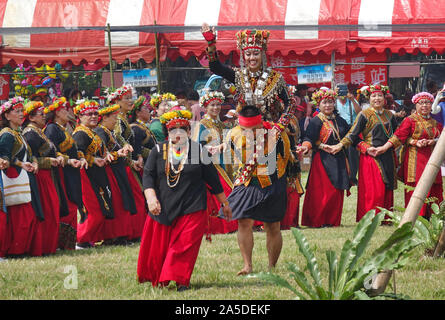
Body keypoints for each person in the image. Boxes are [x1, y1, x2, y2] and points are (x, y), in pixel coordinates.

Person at [137, 106, 232, 291]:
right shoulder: (158, 150)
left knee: (184, 246)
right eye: (173, 130)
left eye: (183, 129)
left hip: (193, 206)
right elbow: (147, 176)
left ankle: (180, 279)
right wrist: (151, 199)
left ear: (189, 131)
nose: (178, 133)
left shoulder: (198, 151)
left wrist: (225, 203)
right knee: (161, 248)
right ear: (168, 132)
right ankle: (163, 277)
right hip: (163, 206)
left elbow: (213, 180)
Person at [220, 105, 291, 275]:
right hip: (247, 181)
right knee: (243, 222)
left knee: (273, 225)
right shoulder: (233, 134)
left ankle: (271, 267)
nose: (250, 133)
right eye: (246, 130)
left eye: (254, 130)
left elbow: (286, 156)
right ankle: (247, 265)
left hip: (272, 181)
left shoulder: (276, 133)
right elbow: (230, 161)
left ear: (260, 124)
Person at [330, 84, 397, 223]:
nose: (377, 98)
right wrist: (341, 145)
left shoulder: (390, 115)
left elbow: (397, 134)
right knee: (374, 189)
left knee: (387, 186)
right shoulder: (364, 115)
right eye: (374, 96)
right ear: (369, 99)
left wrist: (388, 146)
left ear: (385, 98)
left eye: (380, 95)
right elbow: (353, 135)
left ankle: (386, 218)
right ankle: (371, 219)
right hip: (371, 156)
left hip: (387, 155)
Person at [201, 24, 289, 123]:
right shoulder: (238, 76)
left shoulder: (275, 78)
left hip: (269, 128)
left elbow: (289, 102)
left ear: (262, 54)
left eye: (256, 54)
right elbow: (216, 68)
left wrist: (280, 125)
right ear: (244, 56)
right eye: (248, 54)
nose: (252, 58)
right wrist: (211, 45)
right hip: (244, 127)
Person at [376, 92, 443, 219]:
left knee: (434, 186)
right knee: (416, 186)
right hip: (415, 159)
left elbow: (441, 138)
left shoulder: (436, 122)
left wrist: (432, 141)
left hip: (433, 158)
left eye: (427, 103)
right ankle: (417, 216)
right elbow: (399, 136)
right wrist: (385, 148)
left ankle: (435, 217)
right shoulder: (410, 120)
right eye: (421, 103)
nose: (424, 106)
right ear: (415, 105)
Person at [299, 89, 352, 227]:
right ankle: (318, 220)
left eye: (330, 102)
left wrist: (340, 146)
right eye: (324, 102)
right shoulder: (316, 121)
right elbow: (309, 138)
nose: (327, 105)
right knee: (322, 191)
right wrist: (308, 146)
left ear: (334, 104)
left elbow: (349, 135)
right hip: (322, 160)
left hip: (339, 157)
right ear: (318, 104)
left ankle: (333, 220)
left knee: (336, 191)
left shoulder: (340, 120)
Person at [22, 100, 68, 255]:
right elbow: (30, 158)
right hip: (40, 176)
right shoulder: (30, 134)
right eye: (41, 114)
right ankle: (42, 247)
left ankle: (50, 245)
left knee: (52, 209)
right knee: (46, 210)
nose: (44, 116)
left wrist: (61, 157)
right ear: (32, 117)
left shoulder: (39, 132)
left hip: (49, 175)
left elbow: (53, 151)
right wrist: (49, 161)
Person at [0, 97, 44, 257]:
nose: (21, 114)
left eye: (21, 111)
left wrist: (34, 162)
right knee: (21, 218)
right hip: (14, 178)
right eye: (17, 111)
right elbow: (3, 157)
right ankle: (15, 250)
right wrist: (20, 164)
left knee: (27, 216)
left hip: (25, 177)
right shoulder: (6, 135)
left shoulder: (18, 133)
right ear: (7, 116)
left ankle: (23, 249)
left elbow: (30, 154)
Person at [43, 97, 88, 250]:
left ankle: (69, 242)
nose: (67, 112)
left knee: (72, 203)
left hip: (71, 171)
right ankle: (62, 242)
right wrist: (68, 160)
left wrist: (80, 157)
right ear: (56, 113)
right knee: (67, 204)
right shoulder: (51, 129)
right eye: (64, 109)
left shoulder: (64, 128)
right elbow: (53, 151)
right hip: (62, 172)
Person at [192, 91, 238, 237]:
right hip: (212, 164)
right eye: (212, 105)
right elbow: (196, 146)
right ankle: (222, 225)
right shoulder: (201, 125)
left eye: (218, 104)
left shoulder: (222, 125)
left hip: (225, 162)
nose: (216, 108)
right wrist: (209, 148)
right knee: (222, 193)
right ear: (205, 107)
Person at [72, 99, 115, 248]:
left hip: (96, 174)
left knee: (101, 208)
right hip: (86, 176)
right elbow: (78, 153)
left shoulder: (91, 132)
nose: (94, 116)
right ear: (80, 116)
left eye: (96, 113)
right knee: (93, 210)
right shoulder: (80, 134)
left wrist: (106, 156)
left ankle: (90, 239)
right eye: (89, 114)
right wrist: (93, 160)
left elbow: (101, 150)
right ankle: (81, 239)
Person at [109, 86, 148, 241]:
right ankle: (134, 233)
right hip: (124, 164)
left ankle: (137, 232)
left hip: (129, 162)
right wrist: (130, 159)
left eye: (131, 97)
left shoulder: (123, 118)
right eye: (126, 98)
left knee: (137, 195)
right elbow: (118, 137)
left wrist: (136, 155)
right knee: (136, 195)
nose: (130, 101)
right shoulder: (118, 119)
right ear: (117, 101)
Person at [95, 103, 136, 245]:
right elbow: (102, 153)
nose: (115, 121)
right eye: (113, 118)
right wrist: (117, 153)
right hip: (110, 172)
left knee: (121, 202)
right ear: (104, 118)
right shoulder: (101, 132)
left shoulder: (108, 132)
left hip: (117, 172)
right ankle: (114, 236)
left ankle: (121, 234)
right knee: (116, 202)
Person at [335, 86, 361, 185]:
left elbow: (360, 113)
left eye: (344, 91)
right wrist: (334, 95)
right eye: (340, 91)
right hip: (338, 130)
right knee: (340, 153)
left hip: (351, 130)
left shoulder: (352, 101)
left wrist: (353, 99)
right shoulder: (334, 102)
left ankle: (352, 177)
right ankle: (342, 176)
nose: (342, 94)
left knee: (352, 155)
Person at [128, 96, 157, 166]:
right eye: (146, 108)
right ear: (138, 112)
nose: (148, 111)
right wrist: (156, 153)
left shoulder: (142, 127)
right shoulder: (136, 129)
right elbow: (136, 149)